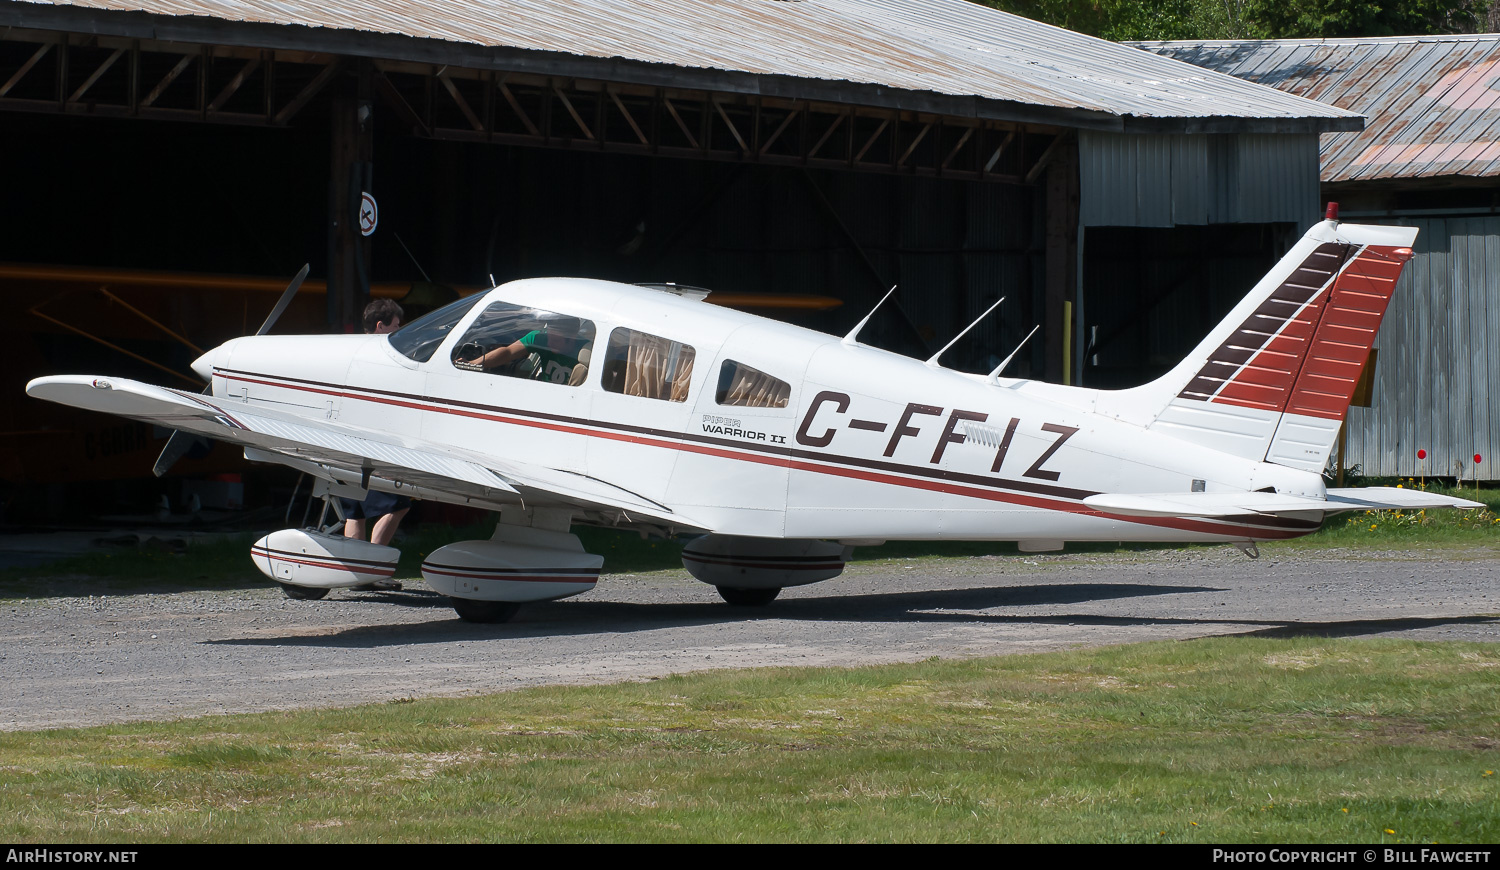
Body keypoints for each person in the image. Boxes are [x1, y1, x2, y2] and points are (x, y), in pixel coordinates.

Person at [342, 298, 411, 589]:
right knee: (400, 501)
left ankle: (356, 573)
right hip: (372, 441)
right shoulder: (385, 357)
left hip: (346, 439)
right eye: (395, 326)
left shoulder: (349, 352)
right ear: (380, 326)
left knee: (354, 509)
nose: (399, 331)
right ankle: (374, 568)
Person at [458, 319, 590, 385]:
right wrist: (472, 364)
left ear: (572, 337)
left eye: (555, 340)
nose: (549, 343)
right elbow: (508, 352)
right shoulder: (539, 338)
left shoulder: (588, 353)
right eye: (548, 336)